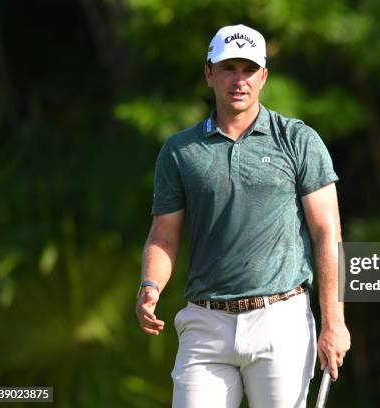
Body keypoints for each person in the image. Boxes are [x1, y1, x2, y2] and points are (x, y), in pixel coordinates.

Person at [135, 24, 350, 407]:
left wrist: (333, 322)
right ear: (208, 73)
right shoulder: (180, 151)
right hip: (205, 323)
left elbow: (326, 233)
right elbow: (163, 235)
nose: (239, 80)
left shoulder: (298, 140)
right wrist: (150, 287)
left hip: (281, 320)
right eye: (228, 67)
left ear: (263, 76)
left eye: (248, 69)